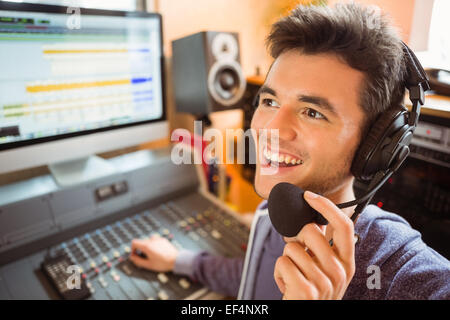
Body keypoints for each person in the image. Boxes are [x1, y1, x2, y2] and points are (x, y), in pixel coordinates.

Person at [129, 3, 450, 299]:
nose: (270, 129)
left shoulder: (399, 270)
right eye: (269, 102)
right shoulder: (278, 211)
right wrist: (182, 262)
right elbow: (253, 276)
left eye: (312, 112)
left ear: (376, 146)